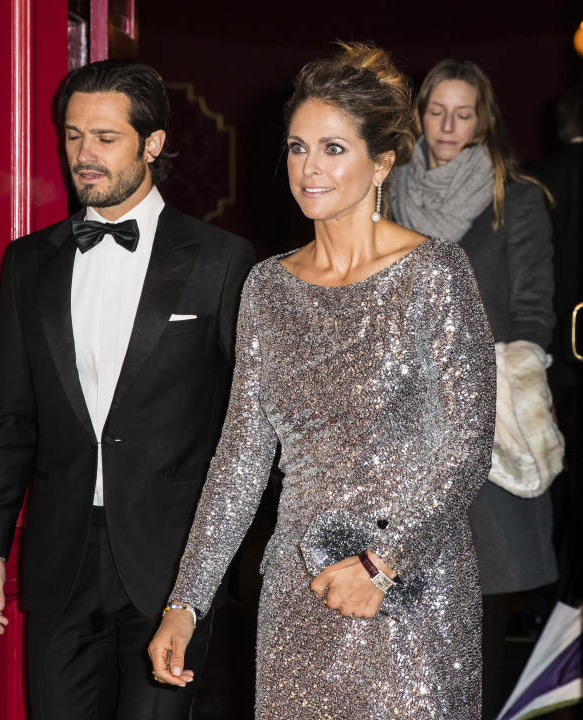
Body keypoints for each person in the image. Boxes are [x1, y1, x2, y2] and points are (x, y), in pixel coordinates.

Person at [149, 42, 496, 719]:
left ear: (382, 163)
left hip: (411, 592)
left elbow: (467, 449)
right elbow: (240, 462)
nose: (309, 168)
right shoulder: (267, 288)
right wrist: (185, 602)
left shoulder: (435, 274)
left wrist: (384, 564)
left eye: (333, 149)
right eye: (298, 147)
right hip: (297, 593)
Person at [0, 59, 255, 720]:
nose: (83, 155)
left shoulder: (220, 260)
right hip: (60, 556)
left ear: (152, 144)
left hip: (171, 560)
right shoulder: (27, 262)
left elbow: (247, 424)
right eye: (72, 136)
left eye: (104, 137)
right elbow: (8, 416)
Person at [390, 58, 558, 720]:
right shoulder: (384, 193)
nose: (448, 126)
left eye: (464, 113)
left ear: (484, 118)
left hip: (480, 415)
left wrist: (499, 377)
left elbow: (536, 306)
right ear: (418, 115)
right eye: (437, 111)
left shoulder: (514, 197)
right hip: (399, 413)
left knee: (478, 595)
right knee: (403, 593)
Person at [529, 84, 583, 608]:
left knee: (545, 469)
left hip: (545, 351)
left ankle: (545, 593)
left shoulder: (535, 182)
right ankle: (580, 587)